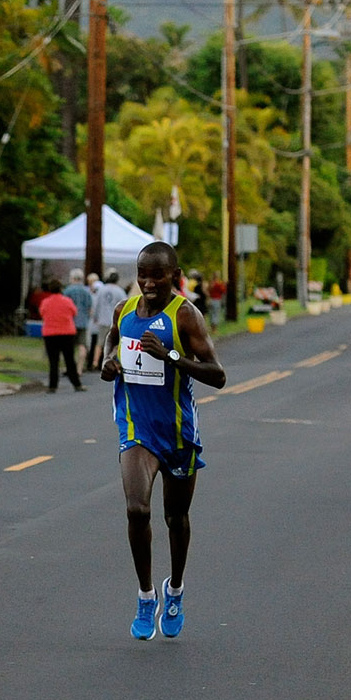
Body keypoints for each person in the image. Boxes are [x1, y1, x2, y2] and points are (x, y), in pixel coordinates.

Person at [100, 241, 226, 642]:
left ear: (175, 275)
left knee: (176, 518)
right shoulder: (125, 309)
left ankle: (175, 590)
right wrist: (107, 361)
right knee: (137, 510)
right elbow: (111, 339)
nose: (148, 282)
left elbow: (217, 375)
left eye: (157, 275)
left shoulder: (186, 315)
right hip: (136, 428)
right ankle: (145, 595)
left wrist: (171, 356)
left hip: (177, 432)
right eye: (143, 274)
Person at [36, 275, 84, 392]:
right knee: (69, 360)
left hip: (50, 333)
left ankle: (53, 385)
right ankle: (76, 383)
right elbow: (74, 312)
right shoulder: (67, 301)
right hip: (66, 332)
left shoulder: (46, 302)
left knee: (53, 361)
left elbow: (42, 313)